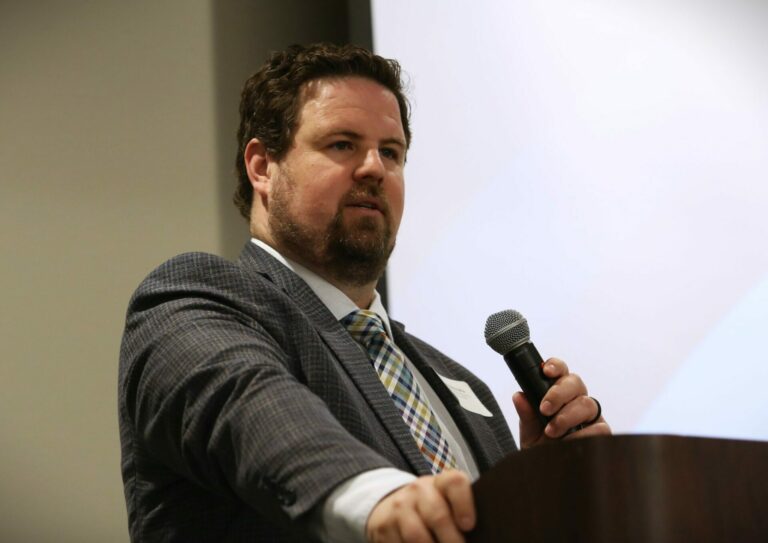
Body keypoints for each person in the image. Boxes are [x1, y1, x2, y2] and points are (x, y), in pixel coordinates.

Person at [118, 43, 610, 543]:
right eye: (342, 144)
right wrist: (374, 494)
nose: (374, 168)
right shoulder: (199, 300)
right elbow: (247, 405)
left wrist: (541, 490)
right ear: (263, 167)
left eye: (391, 152)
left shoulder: (463, 388)